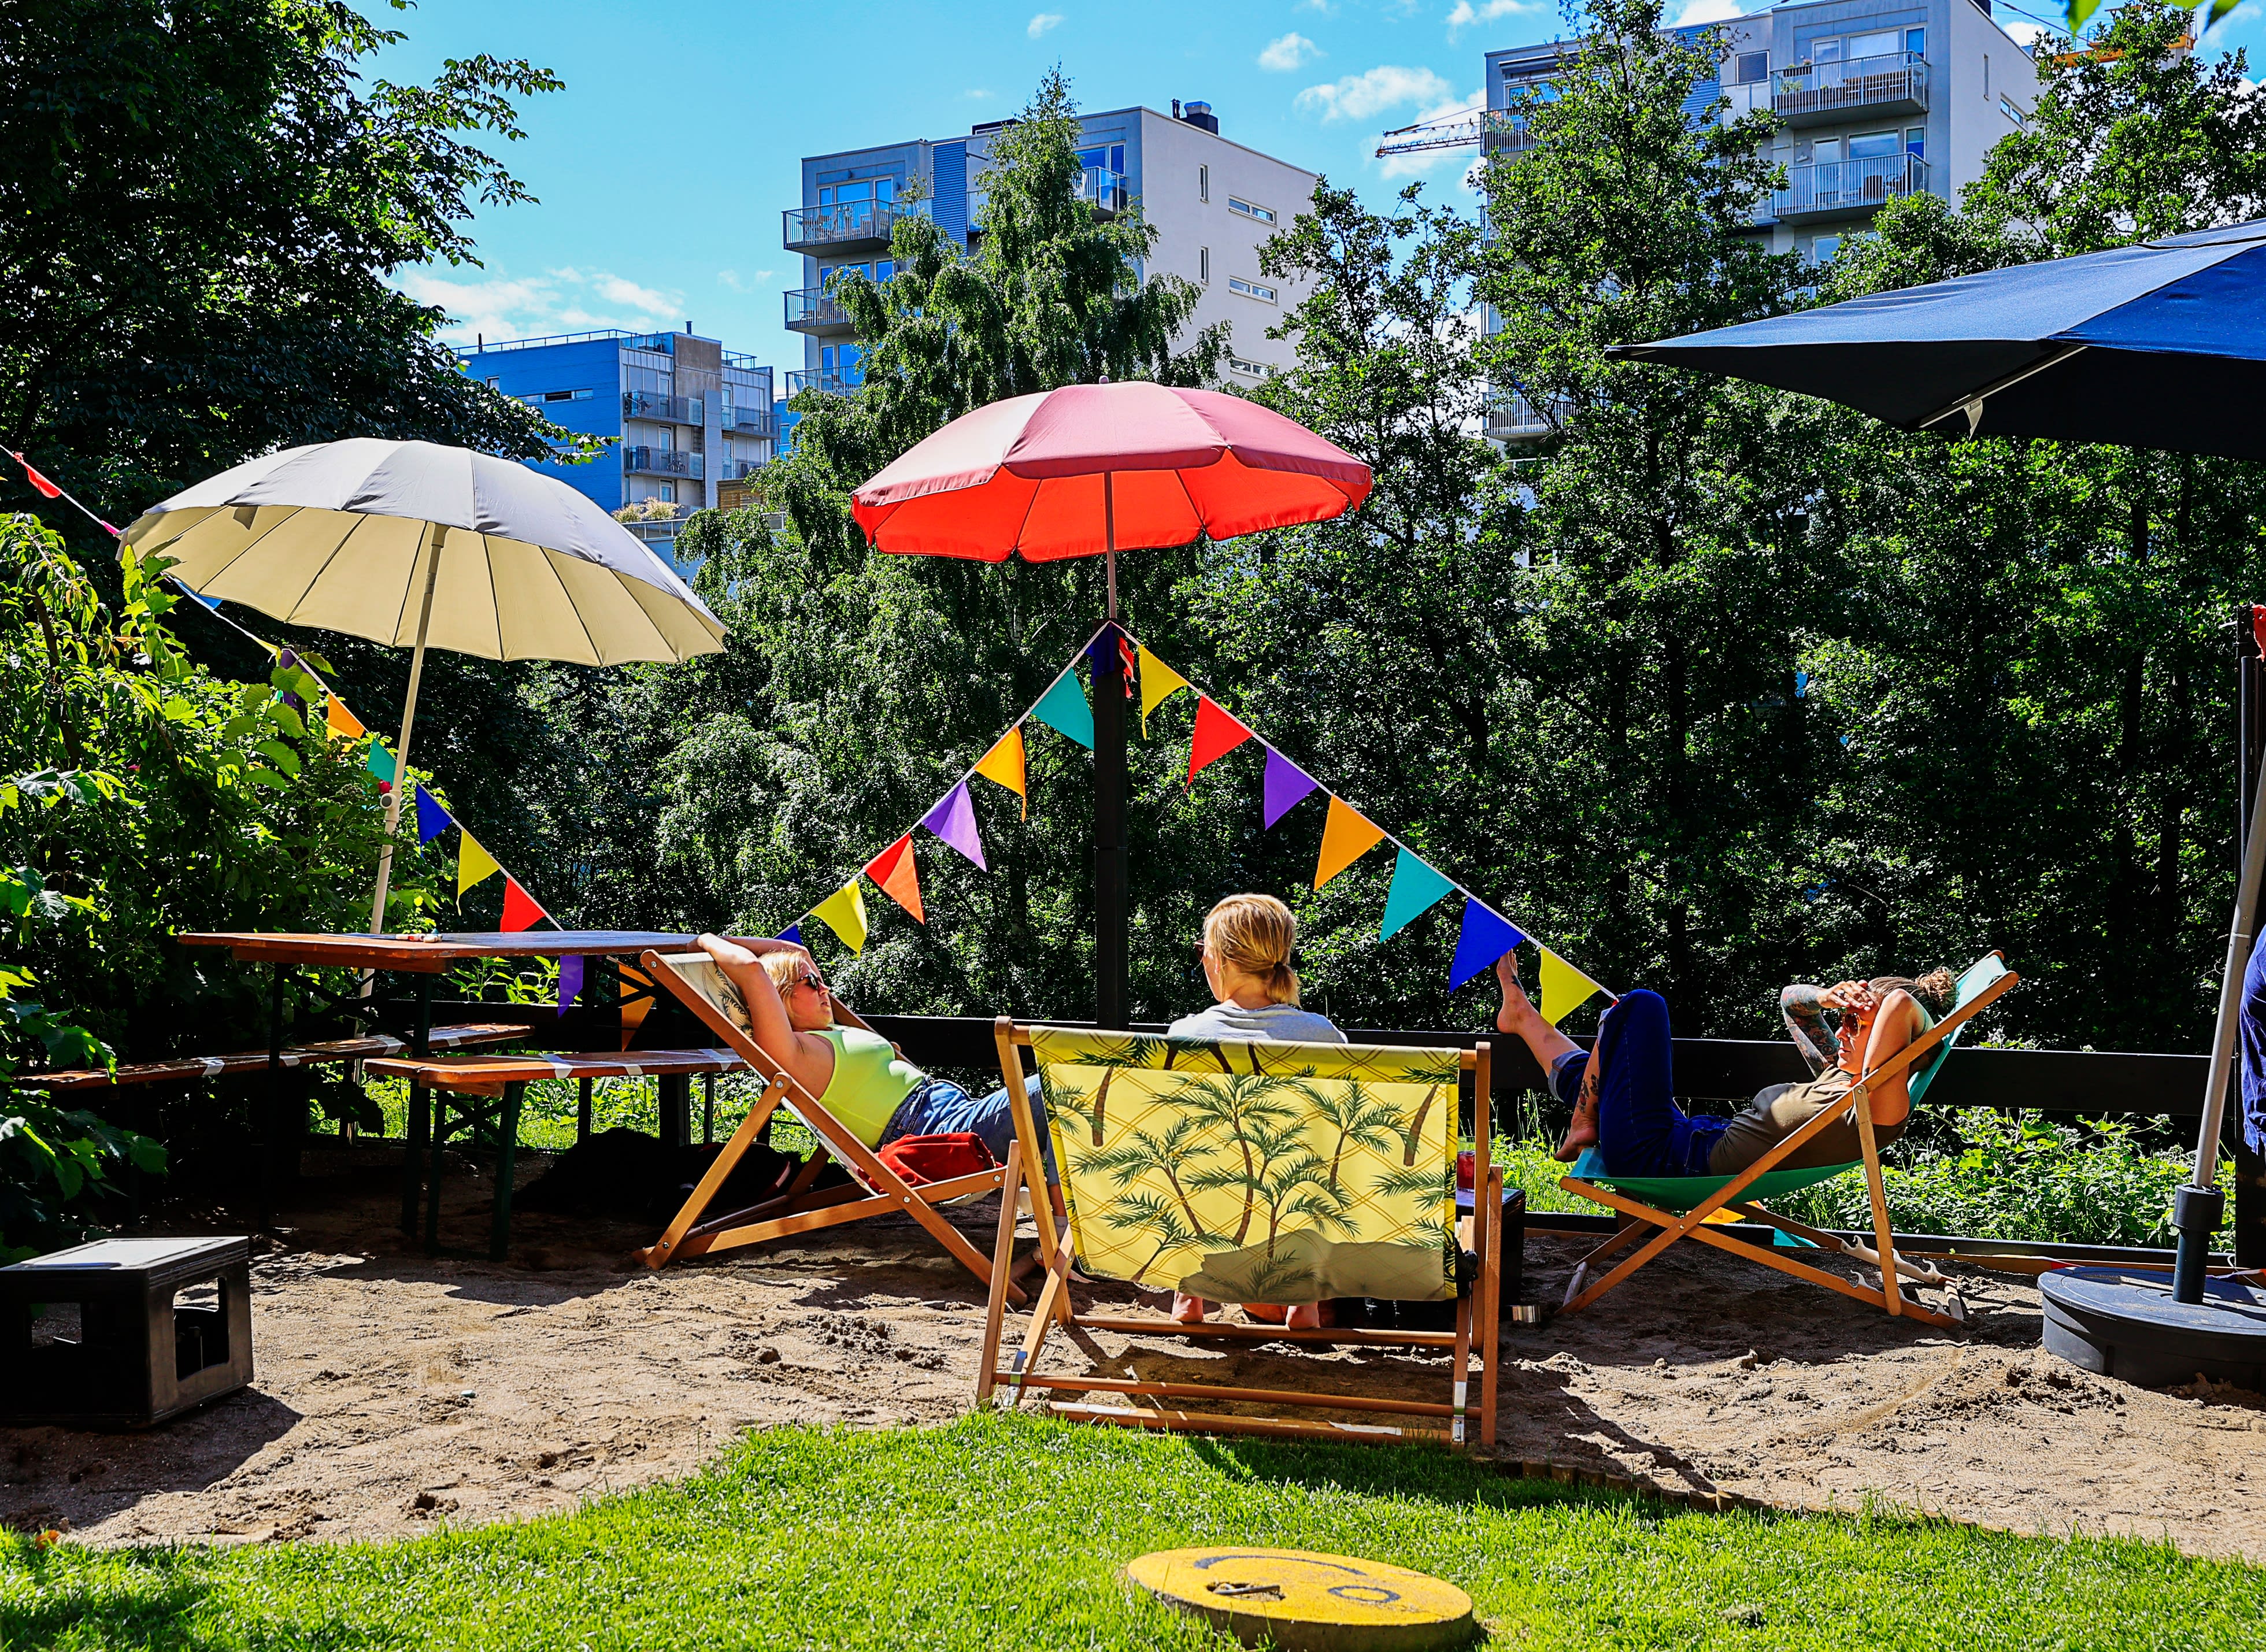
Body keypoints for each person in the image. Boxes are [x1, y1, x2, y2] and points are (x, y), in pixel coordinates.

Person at [1491, 955, 1956, 1179]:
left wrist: (1887, 1001)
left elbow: (1899, 1005)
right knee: (1614, 1069)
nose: (1845, 1031)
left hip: (1666, 1158)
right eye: (1847, 1020)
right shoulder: (1840, 1073)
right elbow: (1791, 1004)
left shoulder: (1874, 1105)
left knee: (1639, 1007)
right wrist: (1828, 996)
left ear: (1895, 1042)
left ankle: (1583, 1119)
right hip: (1683, 1138)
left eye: (1860, 1024)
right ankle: (1522, 1016)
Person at [693, 932, 1056, 1186]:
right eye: (812, 984)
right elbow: (753, 971)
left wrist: (799, 964)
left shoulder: (829, 1032)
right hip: (938, 1135)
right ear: (782, 996)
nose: (826, 990)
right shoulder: (794, 1052)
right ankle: (1064, 1233)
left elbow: (796, 952)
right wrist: (704, 940)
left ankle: (1064, 1235)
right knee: (1063, 1083)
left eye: (822, 981)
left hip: (952, 1112)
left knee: (1076, 1100)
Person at [1164, 894, 1347, 1327]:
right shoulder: (1322, 1036)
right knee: (1316, 1157)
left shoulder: (1185, 1035)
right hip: (1296, 1207)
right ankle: (1303, 1302)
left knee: (1180, 1156)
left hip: (1210, 1205)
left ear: (1222, 961)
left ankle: (1188, 1294)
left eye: (1205, 952)